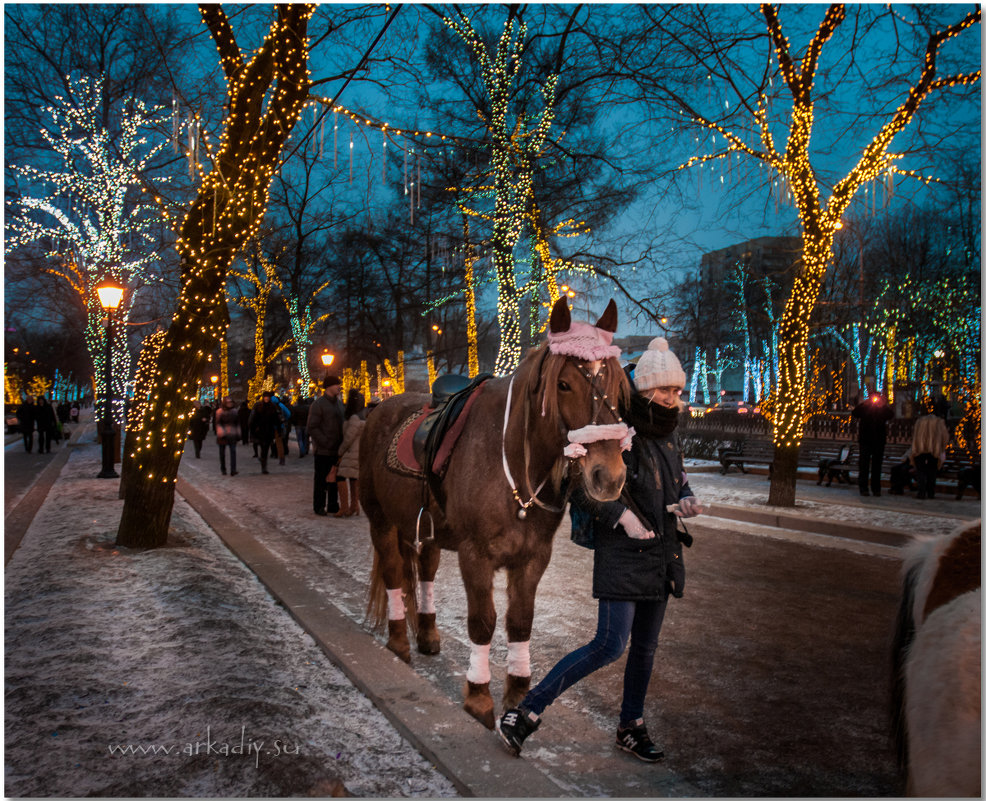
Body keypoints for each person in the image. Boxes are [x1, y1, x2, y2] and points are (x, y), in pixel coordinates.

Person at [496, 336, 704, 763]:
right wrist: (621, 518)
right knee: (609, 644)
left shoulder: (669, 435)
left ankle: (631, 726)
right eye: (664, 390)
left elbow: (677, 480)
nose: (672, 398)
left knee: (645, 649)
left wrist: (686, 499)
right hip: (623, 552)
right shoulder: (615, 427)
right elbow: (580, 487)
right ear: (644, 389)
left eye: (677, 390)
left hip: (661, 550)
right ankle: (526, 712)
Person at [308, 376, 345, 516]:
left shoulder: (339, 404)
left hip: (337, 448)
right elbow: (312, 426)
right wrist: (324, 441)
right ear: (328, 386)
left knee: (334, 477)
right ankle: (319, 505)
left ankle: (333, 505)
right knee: (321, 479)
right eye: (336, 384)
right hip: (323, 449)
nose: (339, 387)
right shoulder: (318, 404)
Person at [850, 391, 894, 496]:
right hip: (865, 440)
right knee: (864, 465)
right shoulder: (865, 407)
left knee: (877, 466)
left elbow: (890, 415)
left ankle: (876, 488)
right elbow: (855, 413)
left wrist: (883, 406)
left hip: (878, 441)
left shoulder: (882, 409)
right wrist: (864, 404)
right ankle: (863, 488)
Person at [334, 389, 367, 517]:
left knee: (340, 477)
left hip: (350, 452)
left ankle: (344, 507)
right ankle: (354, 506)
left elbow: (349, 437)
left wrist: (340, 451)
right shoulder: (362, 416)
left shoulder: (354, 418)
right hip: (357, 452)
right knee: (354, 478)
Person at [909, 402, 950, 500]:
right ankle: (931, 493)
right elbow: (945, 437)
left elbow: (914, 435)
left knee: (921, 472)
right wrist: (941, 447)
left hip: (920, 449)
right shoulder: (939, 422)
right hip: (934, 449)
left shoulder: (919, 421)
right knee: (932, 472)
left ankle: (921, 492)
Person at [247, 391, 280, 474]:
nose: (267, 398)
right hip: (260, 430)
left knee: (266, 448)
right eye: (265, 397)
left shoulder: (272, 407)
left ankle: (263, 463)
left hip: (269, 430)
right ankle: (263, 465)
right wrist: (252, 428)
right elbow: (253, 418)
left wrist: (279, 428)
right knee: (263, 447)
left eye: (268, 397)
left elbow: (276, 419)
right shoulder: (258, 406)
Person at [214, 396, 241, 476]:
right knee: (222, 453)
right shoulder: (220, 412)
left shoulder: (235, 412)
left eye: (230, 402)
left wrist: (238, 433)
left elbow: (237, 423)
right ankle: (223, 469)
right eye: (228, 402)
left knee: (233, 452)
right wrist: (221, 432)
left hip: (232, 434)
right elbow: (218, 423)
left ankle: (233, 469)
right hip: (223, 435)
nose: (229, 404)